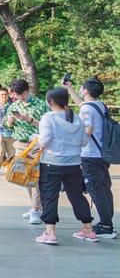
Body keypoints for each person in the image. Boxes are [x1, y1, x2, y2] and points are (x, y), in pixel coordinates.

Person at [34, 87, 98, 244]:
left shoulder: (49, 118)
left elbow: (44, 140)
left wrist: (34, 141)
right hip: (74, 163)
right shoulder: (76, 119)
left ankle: (50, 232)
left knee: (49, 195)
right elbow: (84, 141)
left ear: (51, 101)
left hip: (51, 162)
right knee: (76, 195)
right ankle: (88, 229)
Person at [65, 77, 115, 238]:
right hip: (102, 154)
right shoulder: (99, 105)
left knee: (96, 190)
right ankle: (107, 222)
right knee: (104, 188)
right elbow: (83, 105)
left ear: (85, 90)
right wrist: (70, 89)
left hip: (90, 155)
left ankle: (106, 226)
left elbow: (87, 131)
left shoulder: (87, 110)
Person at [7, 78, 47, 224]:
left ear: (28, 90)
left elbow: (46, 125)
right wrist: (10, 121)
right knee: (24, 177)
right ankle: (35, 206)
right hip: (19, 143)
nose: (20, 98)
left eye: (22, 94)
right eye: (17, 95)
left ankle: (36, 209)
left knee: (34, 175)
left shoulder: (41, 105)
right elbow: (8, 125)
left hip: (35, 143)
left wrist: (29, 119)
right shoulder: (14, 105)